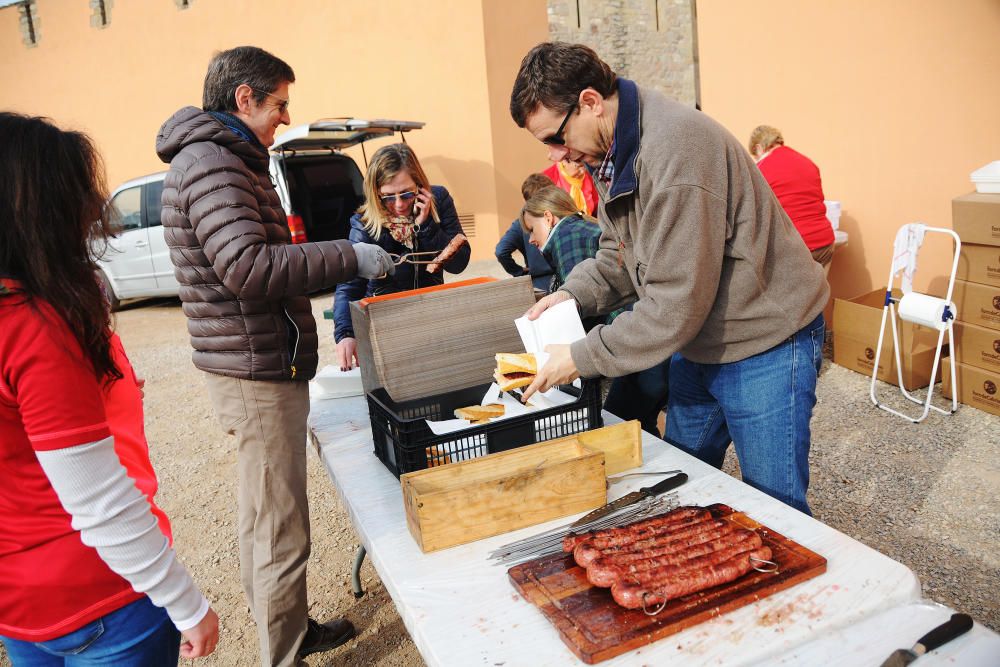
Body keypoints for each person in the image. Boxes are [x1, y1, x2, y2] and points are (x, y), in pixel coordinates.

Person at [510, 42, 828, 515]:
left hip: (766, 339)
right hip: (702, 338)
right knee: (680, 478)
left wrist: (581, 357)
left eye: (555, 139)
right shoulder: (606, 148)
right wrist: (572, 297)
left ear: (591, 102)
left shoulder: (676, 153)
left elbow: (673, 304)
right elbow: (619, 249)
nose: (559, 156)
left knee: (774, 509)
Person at [156, 46, 394, 666]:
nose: (285, 118)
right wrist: (348, 255)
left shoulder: (221, 158)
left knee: (268, 516)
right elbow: (247, 266)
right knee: (277, 528)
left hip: (255, 359)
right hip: (253, 371)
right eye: (279, 104)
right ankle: (282, 655)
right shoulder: (213, 164)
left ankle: (290, 628)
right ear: (244, 98)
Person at [0, 112, 219, 664]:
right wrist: (185, 603)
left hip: (19, 607)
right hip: (101, 597)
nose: (91, 213)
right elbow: (97, 500)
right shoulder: (31, 325)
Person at [521, 186, 670, 436]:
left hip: (634, 335)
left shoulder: (565, 236)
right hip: (637, 332)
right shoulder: (581, 227)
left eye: (532, 229)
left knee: (624, 423)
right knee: (639, 421)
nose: (531, 240)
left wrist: (576, 357)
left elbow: (578, 316)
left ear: (548, 217)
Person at [334, 143, 471, 371]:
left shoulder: (439, 200)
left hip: (431, 316)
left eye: (407, 194)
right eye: (388, 196)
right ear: (375, 192)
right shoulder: (365, 223)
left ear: (420, 185)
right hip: (383, 322)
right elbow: (350, 284)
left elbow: (460, 263)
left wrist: (426, 226)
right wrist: (346, 333)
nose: (398, 205)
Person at [749, 125, 835, 268]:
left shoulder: (761, 168)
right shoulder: (808, 162)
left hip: (795, 246)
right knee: (820, 290)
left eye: (755, 155)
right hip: (825, 243)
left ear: (759, 148)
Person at [495, 172, 557, 292]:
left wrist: (519, 272)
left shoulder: (520, 224)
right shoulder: (559, 217)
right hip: (565, 280)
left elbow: (501, 251)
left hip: (538, 285)